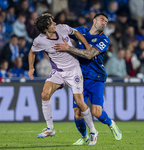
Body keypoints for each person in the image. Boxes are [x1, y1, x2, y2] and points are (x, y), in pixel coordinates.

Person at [28, 13, 98, 145]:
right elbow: (31, 52)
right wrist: (31, 68)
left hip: (73, 71)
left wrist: (88, 47)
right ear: (45, 28)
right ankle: (50, 128)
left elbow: (77, 33)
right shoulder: (39, 41)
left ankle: (93, 131)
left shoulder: (63, 28)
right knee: (44, 94)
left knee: (80, 103)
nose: (54, 23)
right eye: (51, 22)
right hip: (58, 72)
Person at [54, 12, 122, 145]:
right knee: (77, 114)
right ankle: (85, 136)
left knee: (97, 112)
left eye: (106, 22)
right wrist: (54, 27)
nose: (104, 23)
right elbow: (63, 30)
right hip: (79, 78)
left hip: (96, 78)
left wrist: (68, 48)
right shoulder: (81, 31)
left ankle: (111, 123)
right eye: (102, 20)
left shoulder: (104, 40)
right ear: (94, 20)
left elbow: (90, 54)